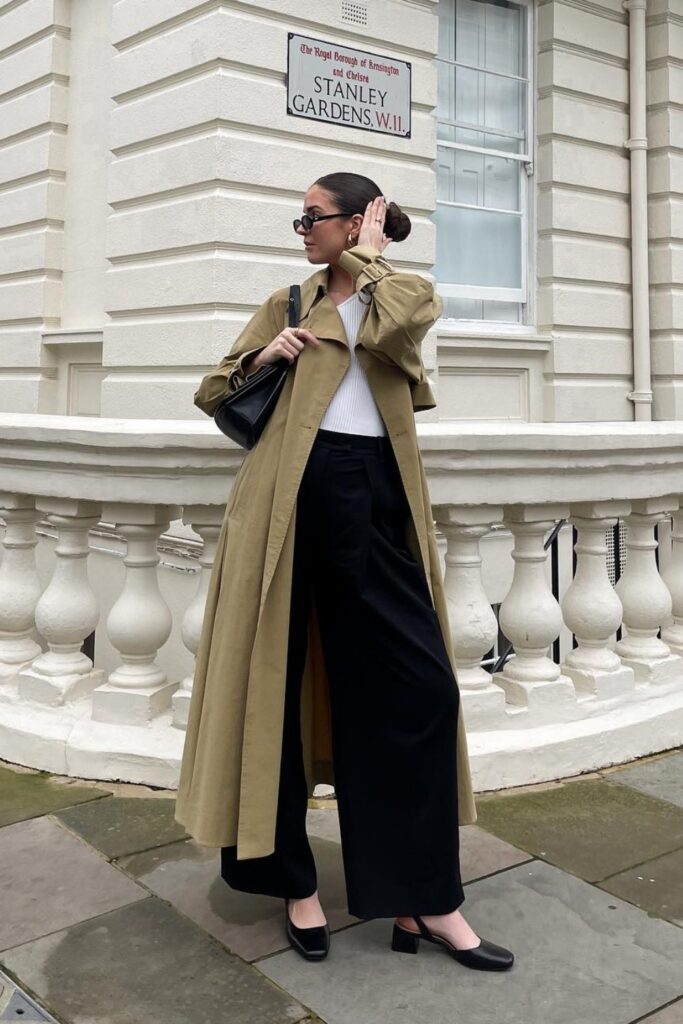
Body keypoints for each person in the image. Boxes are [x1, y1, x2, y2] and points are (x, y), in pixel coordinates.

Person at [175, 172, 514, 971]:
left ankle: (424, 901)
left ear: (359, 221)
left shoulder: (401, 291)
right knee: (274, 685)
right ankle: (293, 885)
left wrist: (367, 259)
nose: (300, 229)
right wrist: (268, 350)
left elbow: (400, 329)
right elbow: (213, 392)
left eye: (313, 217)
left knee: (421, 690)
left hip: (373, 498)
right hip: (283, 503)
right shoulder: (286, 303)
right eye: (298, 218)